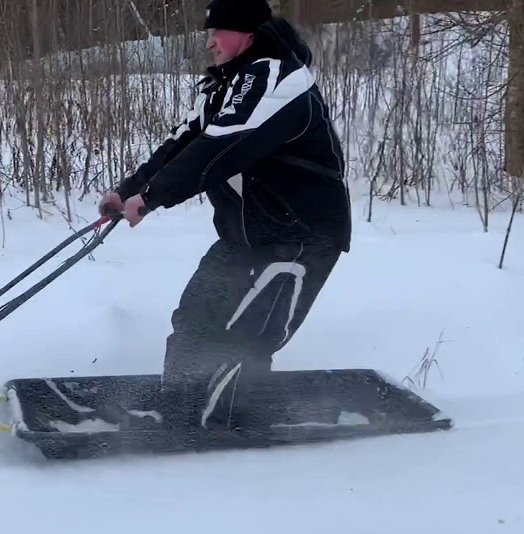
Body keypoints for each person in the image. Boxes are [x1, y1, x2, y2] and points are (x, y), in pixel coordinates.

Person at [99, 0, 352, 435]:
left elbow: (221, 147)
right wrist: (128, 189)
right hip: (246, 238)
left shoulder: (277, 78)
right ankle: (178, 409)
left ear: (248, 35)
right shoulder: (228, 85)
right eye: (208, 32)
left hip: (301, 236)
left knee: (247, 340)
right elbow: (186, 141)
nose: (210, 41)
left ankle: (224, 428)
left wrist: (154, 196)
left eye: (219, 32)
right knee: (196, 321)